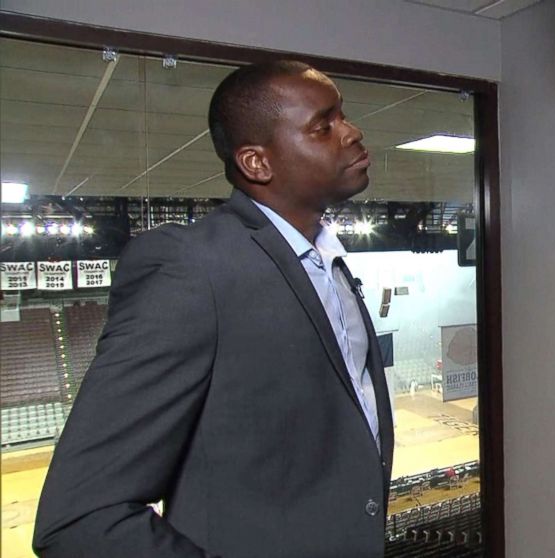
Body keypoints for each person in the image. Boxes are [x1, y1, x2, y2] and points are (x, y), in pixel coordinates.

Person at [33, 60, 394, 557]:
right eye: (323, 125)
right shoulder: (190, 267)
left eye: (344, 116)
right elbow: (81, 519)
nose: (352, 133)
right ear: (256, 163)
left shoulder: (330, 263)